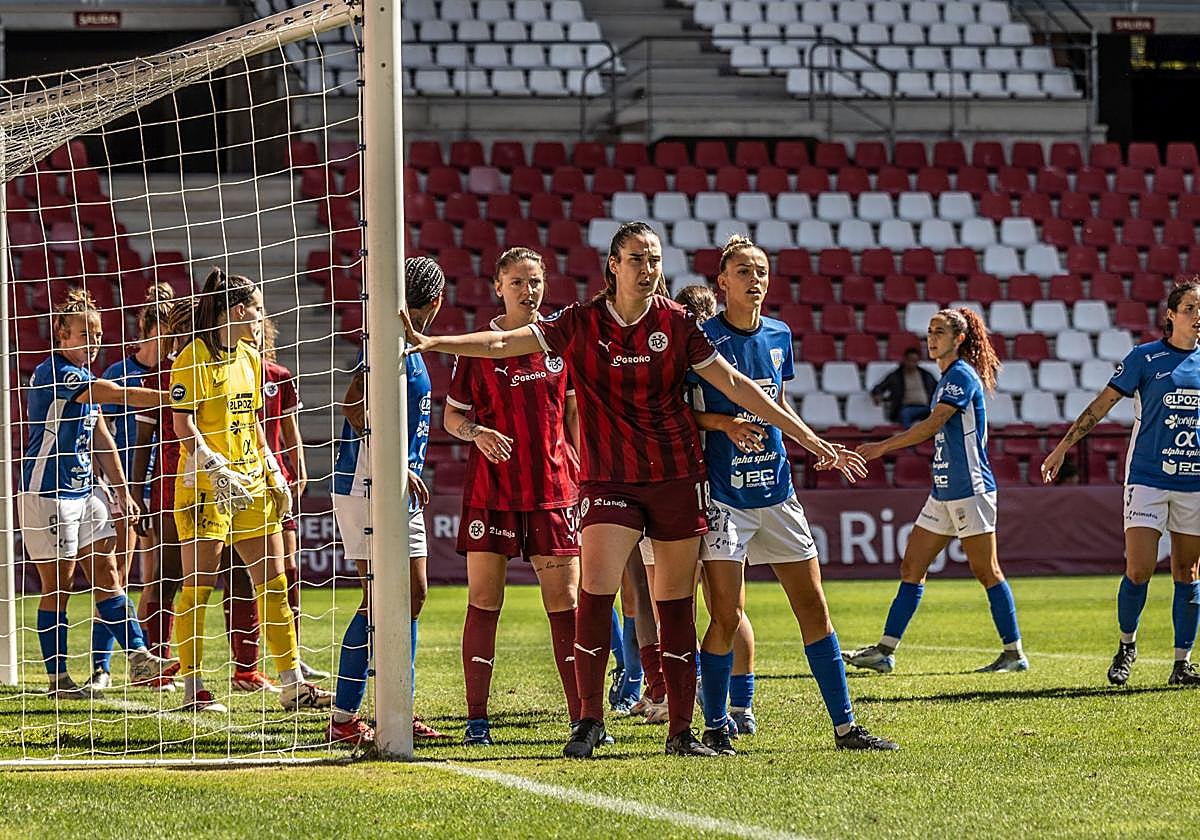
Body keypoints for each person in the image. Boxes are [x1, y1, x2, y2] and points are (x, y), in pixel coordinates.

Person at [403, 221, 865, 759]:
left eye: (655, 260)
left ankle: (681, 731)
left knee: (673, 605)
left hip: (674, 479)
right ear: (613, 266)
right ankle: (589, 721)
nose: (649, 270)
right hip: (609, 482)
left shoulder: (680, 323)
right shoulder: (580, 322)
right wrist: (432, 340)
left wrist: (808, 437)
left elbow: (736, 387)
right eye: (638, 260)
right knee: (595, 595)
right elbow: (504, 341)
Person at [690, 235, 897, 754]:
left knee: (815, 610)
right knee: (725, 616)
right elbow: (680, 413)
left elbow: (777, 406)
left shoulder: (780, 335)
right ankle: (716, 724)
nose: (754, 279)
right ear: (722, 282)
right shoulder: (701, 339)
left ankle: (846, 728)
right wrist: (722, 423)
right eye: (742, 271)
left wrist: (816, 445)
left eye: (760, 270)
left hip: (778, 493)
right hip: (725, 498)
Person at [169, 268, 331, 713]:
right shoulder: (191, 358)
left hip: (252, 483)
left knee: (274, 583)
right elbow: (182, 422)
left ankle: (292, 683)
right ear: (238, 310)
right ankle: (193, 688)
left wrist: (274, 470)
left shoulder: (249, 358)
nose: (262, 317)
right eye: (258, 309)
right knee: (197, 587)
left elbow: (254, 422)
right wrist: (212, 464)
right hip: (205, 487)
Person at [445, 247, 582, 746]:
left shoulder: (559, 344)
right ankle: (476, 719)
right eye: (519, 282)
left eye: (536, 281)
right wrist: (476, 432)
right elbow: (452, 418)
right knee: (484, 601)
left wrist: (580, 466)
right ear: (498, 287)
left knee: (565, 603)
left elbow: (574, 417)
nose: (530, 290)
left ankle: (581, 718)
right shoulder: (478, 348)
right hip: (492, 492)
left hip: (553, 489)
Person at [845, 308, 1027, 675]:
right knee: (912, 565)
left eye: (940, 332)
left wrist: (880, 447)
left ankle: (1013, 653)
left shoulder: (960, 375)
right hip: (944, 490)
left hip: (970, 488)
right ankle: (885, 651)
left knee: (986, 571)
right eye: (929, 331)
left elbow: (932, 425)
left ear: (959, 339)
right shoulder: (944, 377)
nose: (932, 338)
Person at [1042, 281, 1200, 687]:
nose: (1197, 316)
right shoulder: (1145, 358)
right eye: (1190, 308)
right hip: (1147, 478)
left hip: (1194, 483)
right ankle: (1127, 646)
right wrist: (1062, 448)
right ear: (1171, 314)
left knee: (1187, 570)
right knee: (1139, 568)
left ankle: (1182, 663)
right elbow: (1102, 405)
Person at [19, 289, 175, 698]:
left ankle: (139, 657)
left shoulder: (85, 379)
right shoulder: (54, 372)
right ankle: (59, 681)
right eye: (86, 334)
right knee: (60, 587)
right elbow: (116, 393)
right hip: (48, 493)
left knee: (108, 575)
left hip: (86, 491)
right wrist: (172, 398)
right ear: (61, 333)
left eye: (99, 334)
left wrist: (124, 492)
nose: (95, 341)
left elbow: (103, 439)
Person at [328, 256, 447, 745]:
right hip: (365, 482)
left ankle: (398, 707)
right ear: (437, 301)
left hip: (400, 488)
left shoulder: (408, 344)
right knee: (378, 600)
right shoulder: (386, 341)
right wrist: (391, 464)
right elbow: (354, 402)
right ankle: (343, 717)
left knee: (413, 594)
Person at [674, 282, 759, 736]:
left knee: (683, 603)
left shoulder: (690, 362)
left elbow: (678, 415)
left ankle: (694, 699)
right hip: (720, 489)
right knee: (729, 609)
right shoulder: (723, 355)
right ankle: (738, 706)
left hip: (697, 490)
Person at [89, 284, 175, 689]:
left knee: (158, 576)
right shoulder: (119, 375)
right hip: (127, 486)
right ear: (147, 331)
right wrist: (114, 484)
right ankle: (101, 668)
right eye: (165, 332)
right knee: (117, 573)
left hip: (168, 484)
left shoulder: (175, 371)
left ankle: (152, 661)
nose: (170, 341)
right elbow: (95, 430)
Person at [260, 318, 324, 681]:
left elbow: (289, 429)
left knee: (288, 571)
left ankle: (292, 658)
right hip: (240, 483)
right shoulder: (225, 372)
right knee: (242, 578)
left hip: (277, 483)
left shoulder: (279, 376)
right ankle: (245, 664)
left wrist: (298, 467)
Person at [870, 346, 938, 428]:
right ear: (905, 359)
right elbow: (879, 387)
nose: (912, 363)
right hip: (906, 408)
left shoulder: (926, 375)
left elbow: (938, 388)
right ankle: (908, 438)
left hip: (925, 407)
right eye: (910, 360)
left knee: (940, 413)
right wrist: (877, 395)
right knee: (905, 414)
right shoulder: (895, 376)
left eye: (915, 361)